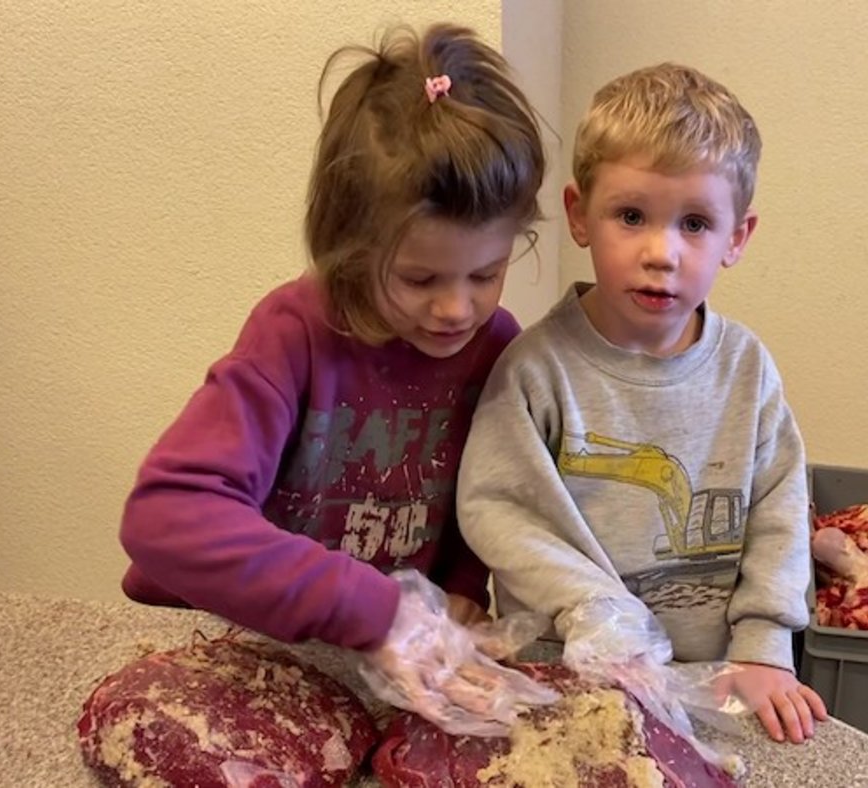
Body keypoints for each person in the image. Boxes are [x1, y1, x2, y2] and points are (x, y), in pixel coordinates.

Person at [119, 22, 556, 734]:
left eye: (488, 273)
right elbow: (162, 517)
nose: (457, 308)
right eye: (419, 278)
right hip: (233, 646)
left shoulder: (497, 347)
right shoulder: (293, 334)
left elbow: (487, 495)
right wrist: (377, 608)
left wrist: (460, 593)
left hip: (377, 663)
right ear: (348, 248)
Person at [457, 62, 829, 744]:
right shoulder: (537, 371)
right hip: (566, 676)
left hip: (714, 677)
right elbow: (500, 510)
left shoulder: (747, 370)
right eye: (631, 216)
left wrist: (764, 646)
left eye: (695, 224)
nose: (662, 253)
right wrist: (591, 610)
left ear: (737, 238)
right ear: (578, 215)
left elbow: (780, 511)